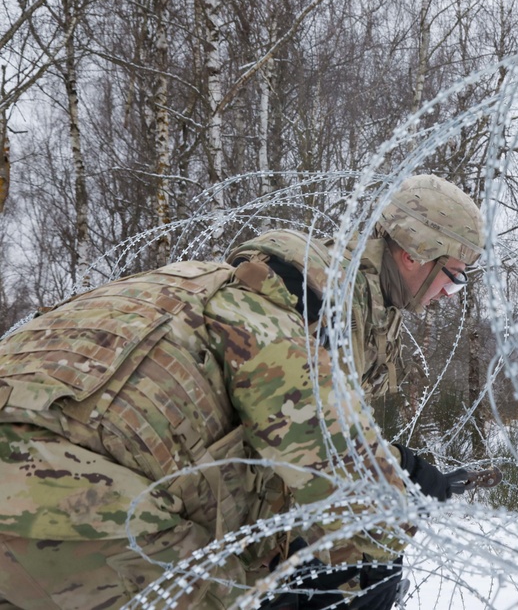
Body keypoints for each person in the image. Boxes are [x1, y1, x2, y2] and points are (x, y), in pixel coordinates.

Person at [0, 174, 485, 610]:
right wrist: (383, 525)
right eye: (454, 276)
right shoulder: (302, 300)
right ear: (414, 252)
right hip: (50, 490)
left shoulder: (295, 293)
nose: (449, 293)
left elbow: (278, 430)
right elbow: (333, 469)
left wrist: (405, 470)